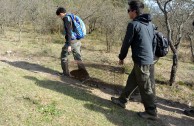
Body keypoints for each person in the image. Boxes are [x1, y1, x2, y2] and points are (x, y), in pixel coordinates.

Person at [111, 0, 157, 120]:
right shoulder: (150, 25)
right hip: (147, 59)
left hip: (142, 61)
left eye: (128, 10)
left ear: (134, 11)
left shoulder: (133, 25)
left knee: (146, 87)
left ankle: (151, 112)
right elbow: (153, 42)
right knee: (132, 81)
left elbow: (126, 43)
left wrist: (121, 57)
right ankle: (122, 100)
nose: (128, 13)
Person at [56, 7, 89, 79]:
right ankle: (85, 75)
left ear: (61, 14)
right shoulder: (71, 16)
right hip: (77, 41)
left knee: (63, 57)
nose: (60, 18)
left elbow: (68, 32)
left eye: (59, 16)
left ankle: (66, 73)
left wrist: (68, 45)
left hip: (72, 41)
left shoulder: (66, 18)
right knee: (78, 58)